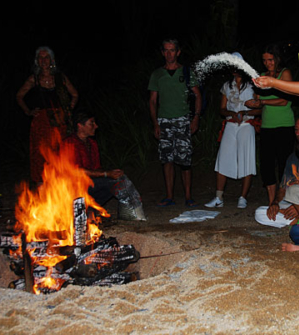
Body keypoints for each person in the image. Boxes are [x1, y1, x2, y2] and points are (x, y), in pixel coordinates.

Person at [63, 111, 146, 221]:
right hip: (72, 188)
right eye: (91, 123)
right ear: (80, 125)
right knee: (111, 181)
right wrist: (106, 174)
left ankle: (92, 209)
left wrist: (111, 173)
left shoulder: (92, 143)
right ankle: (77, 209)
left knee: (117, 180)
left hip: (89, 184)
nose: (96, 126)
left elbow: (97, 169)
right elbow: (75, 171)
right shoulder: (69, 143)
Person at [148, 38, 202, 208]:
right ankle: (169, 196)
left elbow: (198, 95)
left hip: (182, 119)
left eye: (172, 50)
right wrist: (155, 123)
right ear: (162, 52)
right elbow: (152, 101)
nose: (169, 53)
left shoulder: (186, 72)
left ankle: (188, 196)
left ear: (178, 52)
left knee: (185, 160)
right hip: (164, 120)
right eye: (166, 50)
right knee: (167, 159)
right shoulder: (157, 74)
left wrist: (195, 118)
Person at [204, 53, 262, 209]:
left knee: (247, 159)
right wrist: (231, 114)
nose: (234, 69)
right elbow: (222, 109)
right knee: (223, 158)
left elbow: (259, 109)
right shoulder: (226, 86)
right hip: (230, 125)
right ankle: (218, 197)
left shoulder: (253, 85)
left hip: (247, 124)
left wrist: (245, 113)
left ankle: (243, 197)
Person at [16, 46, 79, 184]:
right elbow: (19, 96)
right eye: (40, 57)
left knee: (60, 151)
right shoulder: (34, 79)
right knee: (40, 154)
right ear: (37, 61)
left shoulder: (60, 77)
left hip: (59, 119)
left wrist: (68, 109)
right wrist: (28, 111)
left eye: (46, 57)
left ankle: (61, 184)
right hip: (41, 121)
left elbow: (75, 94)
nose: (43, 60)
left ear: (52, 60)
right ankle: (42, 185)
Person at [247, 44, 295, 206]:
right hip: (267, 126)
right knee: (267, 165)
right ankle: (271, 203)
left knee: (284, 163)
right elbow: (259, 100)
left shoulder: (284, 73)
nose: (267, 63)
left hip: (284, 125)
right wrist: (254, 102)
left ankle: (283, 201)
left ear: (277, 58)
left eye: (270, 60)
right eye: (264, 60)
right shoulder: (262, 76)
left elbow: (283, 101)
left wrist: (262, 101)